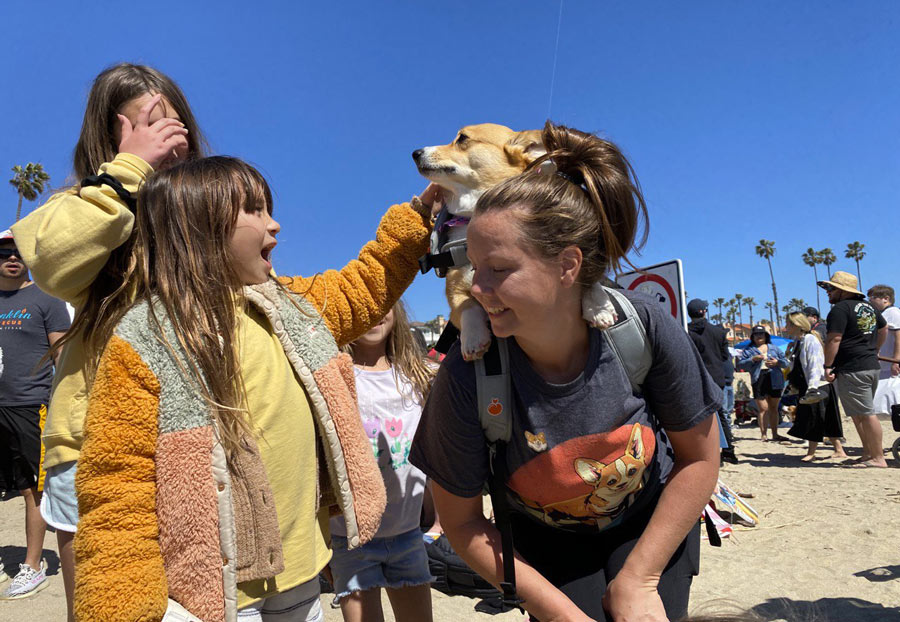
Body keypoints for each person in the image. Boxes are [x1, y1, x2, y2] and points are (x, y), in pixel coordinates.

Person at [71, 157, 435, 621]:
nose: (275, 224)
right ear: (199, 226)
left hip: (301, 573)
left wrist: (419, 217)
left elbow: (362, 283)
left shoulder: (293, 307)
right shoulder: (145, 337)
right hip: (218, 596)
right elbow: (115, 484)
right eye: (256, 211)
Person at [410, 122, 721, 622]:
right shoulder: (468, 374)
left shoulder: (640, 327)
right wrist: (559, 615)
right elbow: (462, 522)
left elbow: (700, 460)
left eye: (500, 270)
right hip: (542, 543)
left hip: (651, 518)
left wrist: (639, 579)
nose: (477, 288)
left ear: (568, 265)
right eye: (471, 267)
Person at [10, 63, 203, 621]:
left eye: (176, 125)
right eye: (149, 126)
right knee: (105, 609)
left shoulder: (205, 204)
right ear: (112, 135)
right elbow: (49, 260)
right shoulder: (85, 203)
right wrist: (129, 171)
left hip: (194, 431)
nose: (169, 139)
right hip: (94, 440)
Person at [328, 301, 435, 622]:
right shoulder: (336, 376)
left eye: (383, 303)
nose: (374, 312)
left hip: (408, 533)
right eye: (365, 303)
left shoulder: (418, 375)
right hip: (351, 539)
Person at [0, 229, 70, 599]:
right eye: (4, 251)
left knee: (33, 491)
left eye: (19, 252)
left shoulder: (47, 299)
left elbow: (63, 355)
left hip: (29, 406)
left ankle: (32, 565)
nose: (12, 257)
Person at [819, 271, 888, 467]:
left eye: (831, 288)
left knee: (865, 413)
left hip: (853, 367)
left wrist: (828, 365)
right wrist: (875, 349)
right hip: (869, 365)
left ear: (842, 291)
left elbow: (834, 338)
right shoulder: (867, 307)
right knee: (859, 413)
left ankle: (877, 457)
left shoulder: (840, 309)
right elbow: (883, 328)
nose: (827, 292)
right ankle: (868, 453)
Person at [784, 313, 846, 461]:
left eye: (789, 324)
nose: (786, 327)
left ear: (797, 325)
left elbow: (815, 364)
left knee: (814, 418)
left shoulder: (810, 340)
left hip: (817, 386)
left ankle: (811, 453)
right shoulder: (799, 341)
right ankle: (839, 449)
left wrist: (812, 387)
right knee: (827, 417)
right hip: (814, 385)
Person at [687, 298, 737, 464]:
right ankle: (728, 450)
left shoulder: (686, 331)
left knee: (702, 417)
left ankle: (709, 452)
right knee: (721, 414)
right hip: (717, 377)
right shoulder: (718, 332)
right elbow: (724, 356)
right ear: (704, 312)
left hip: (697, 378)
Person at [737, 325, 788, 442]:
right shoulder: (749, 350)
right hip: (758, 379)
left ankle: (775, 434)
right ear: (752, 336)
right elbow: (741, 365)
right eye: (756, 334)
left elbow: (785, 363)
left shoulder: (774, 348)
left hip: (774, 378)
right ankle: (764, 435)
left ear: (766, 336)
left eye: (761, 334)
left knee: (774, 408)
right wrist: (753, 359)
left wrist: (777, 362)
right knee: (763, 408)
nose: (759, 336)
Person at [866, 285, 900, 380]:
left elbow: (898, 338)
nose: (870, 301)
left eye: (873, 297)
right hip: (882, 366)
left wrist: (896, 361)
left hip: (890, 368)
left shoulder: (893, 313)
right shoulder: (883, 314)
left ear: (886, 299)